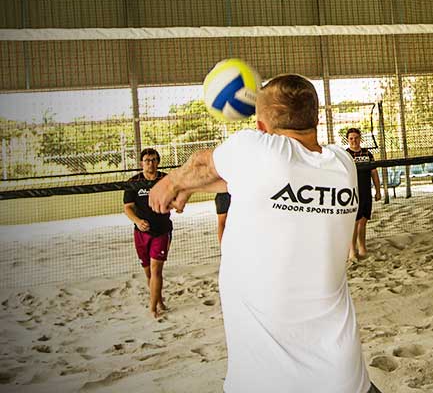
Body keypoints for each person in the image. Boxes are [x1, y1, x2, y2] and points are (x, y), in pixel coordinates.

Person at [148, 75, 378, 393]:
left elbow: (204, 162)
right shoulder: (342, 164)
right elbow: (249, 179)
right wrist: (189, 185)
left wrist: (172, 182)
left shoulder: (254, 149)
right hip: (344, 378)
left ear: (260, 126)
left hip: (265, 381)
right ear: (317, 118)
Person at [122, 147, 172, 319]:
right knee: (149, 273)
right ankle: (158, 300)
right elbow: (127, 208)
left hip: (161, 230)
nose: (150, 163)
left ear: (158, 162)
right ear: (141, 163)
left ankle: (152, 309)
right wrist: (137, 221)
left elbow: (176, 199)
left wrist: (169, 206)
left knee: (156, 270)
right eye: (147, 160)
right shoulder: (134, 182)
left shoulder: (166, 179)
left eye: (153, 160)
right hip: (141, 233)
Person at [345, 128, 382, 261]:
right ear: (348, 140)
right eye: (351, 138)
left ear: (360, 138)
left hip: (366, 191)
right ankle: (352, 251)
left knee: (363, 220)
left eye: (356, 137)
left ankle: (362, 248)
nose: (354, 140)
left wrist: (378, 190)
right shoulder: (346, 155)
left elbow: (374, 173)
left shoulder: (367, 153)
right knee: (354, 222)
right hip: (352, 193)